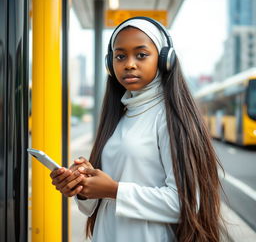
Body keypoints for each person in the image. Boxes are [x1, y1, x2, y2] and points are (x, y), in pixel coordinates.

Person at [50, 17, 224, 242]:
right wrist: (83, 187)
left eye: (141, 55)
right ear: (110, 64)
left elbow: (186, 204)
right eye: (120, 56)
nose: (129, 64)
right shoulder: (119, 115)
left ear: (164, 60)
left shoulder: (169, 117)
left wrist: (113, 190)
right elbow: (95, 206)